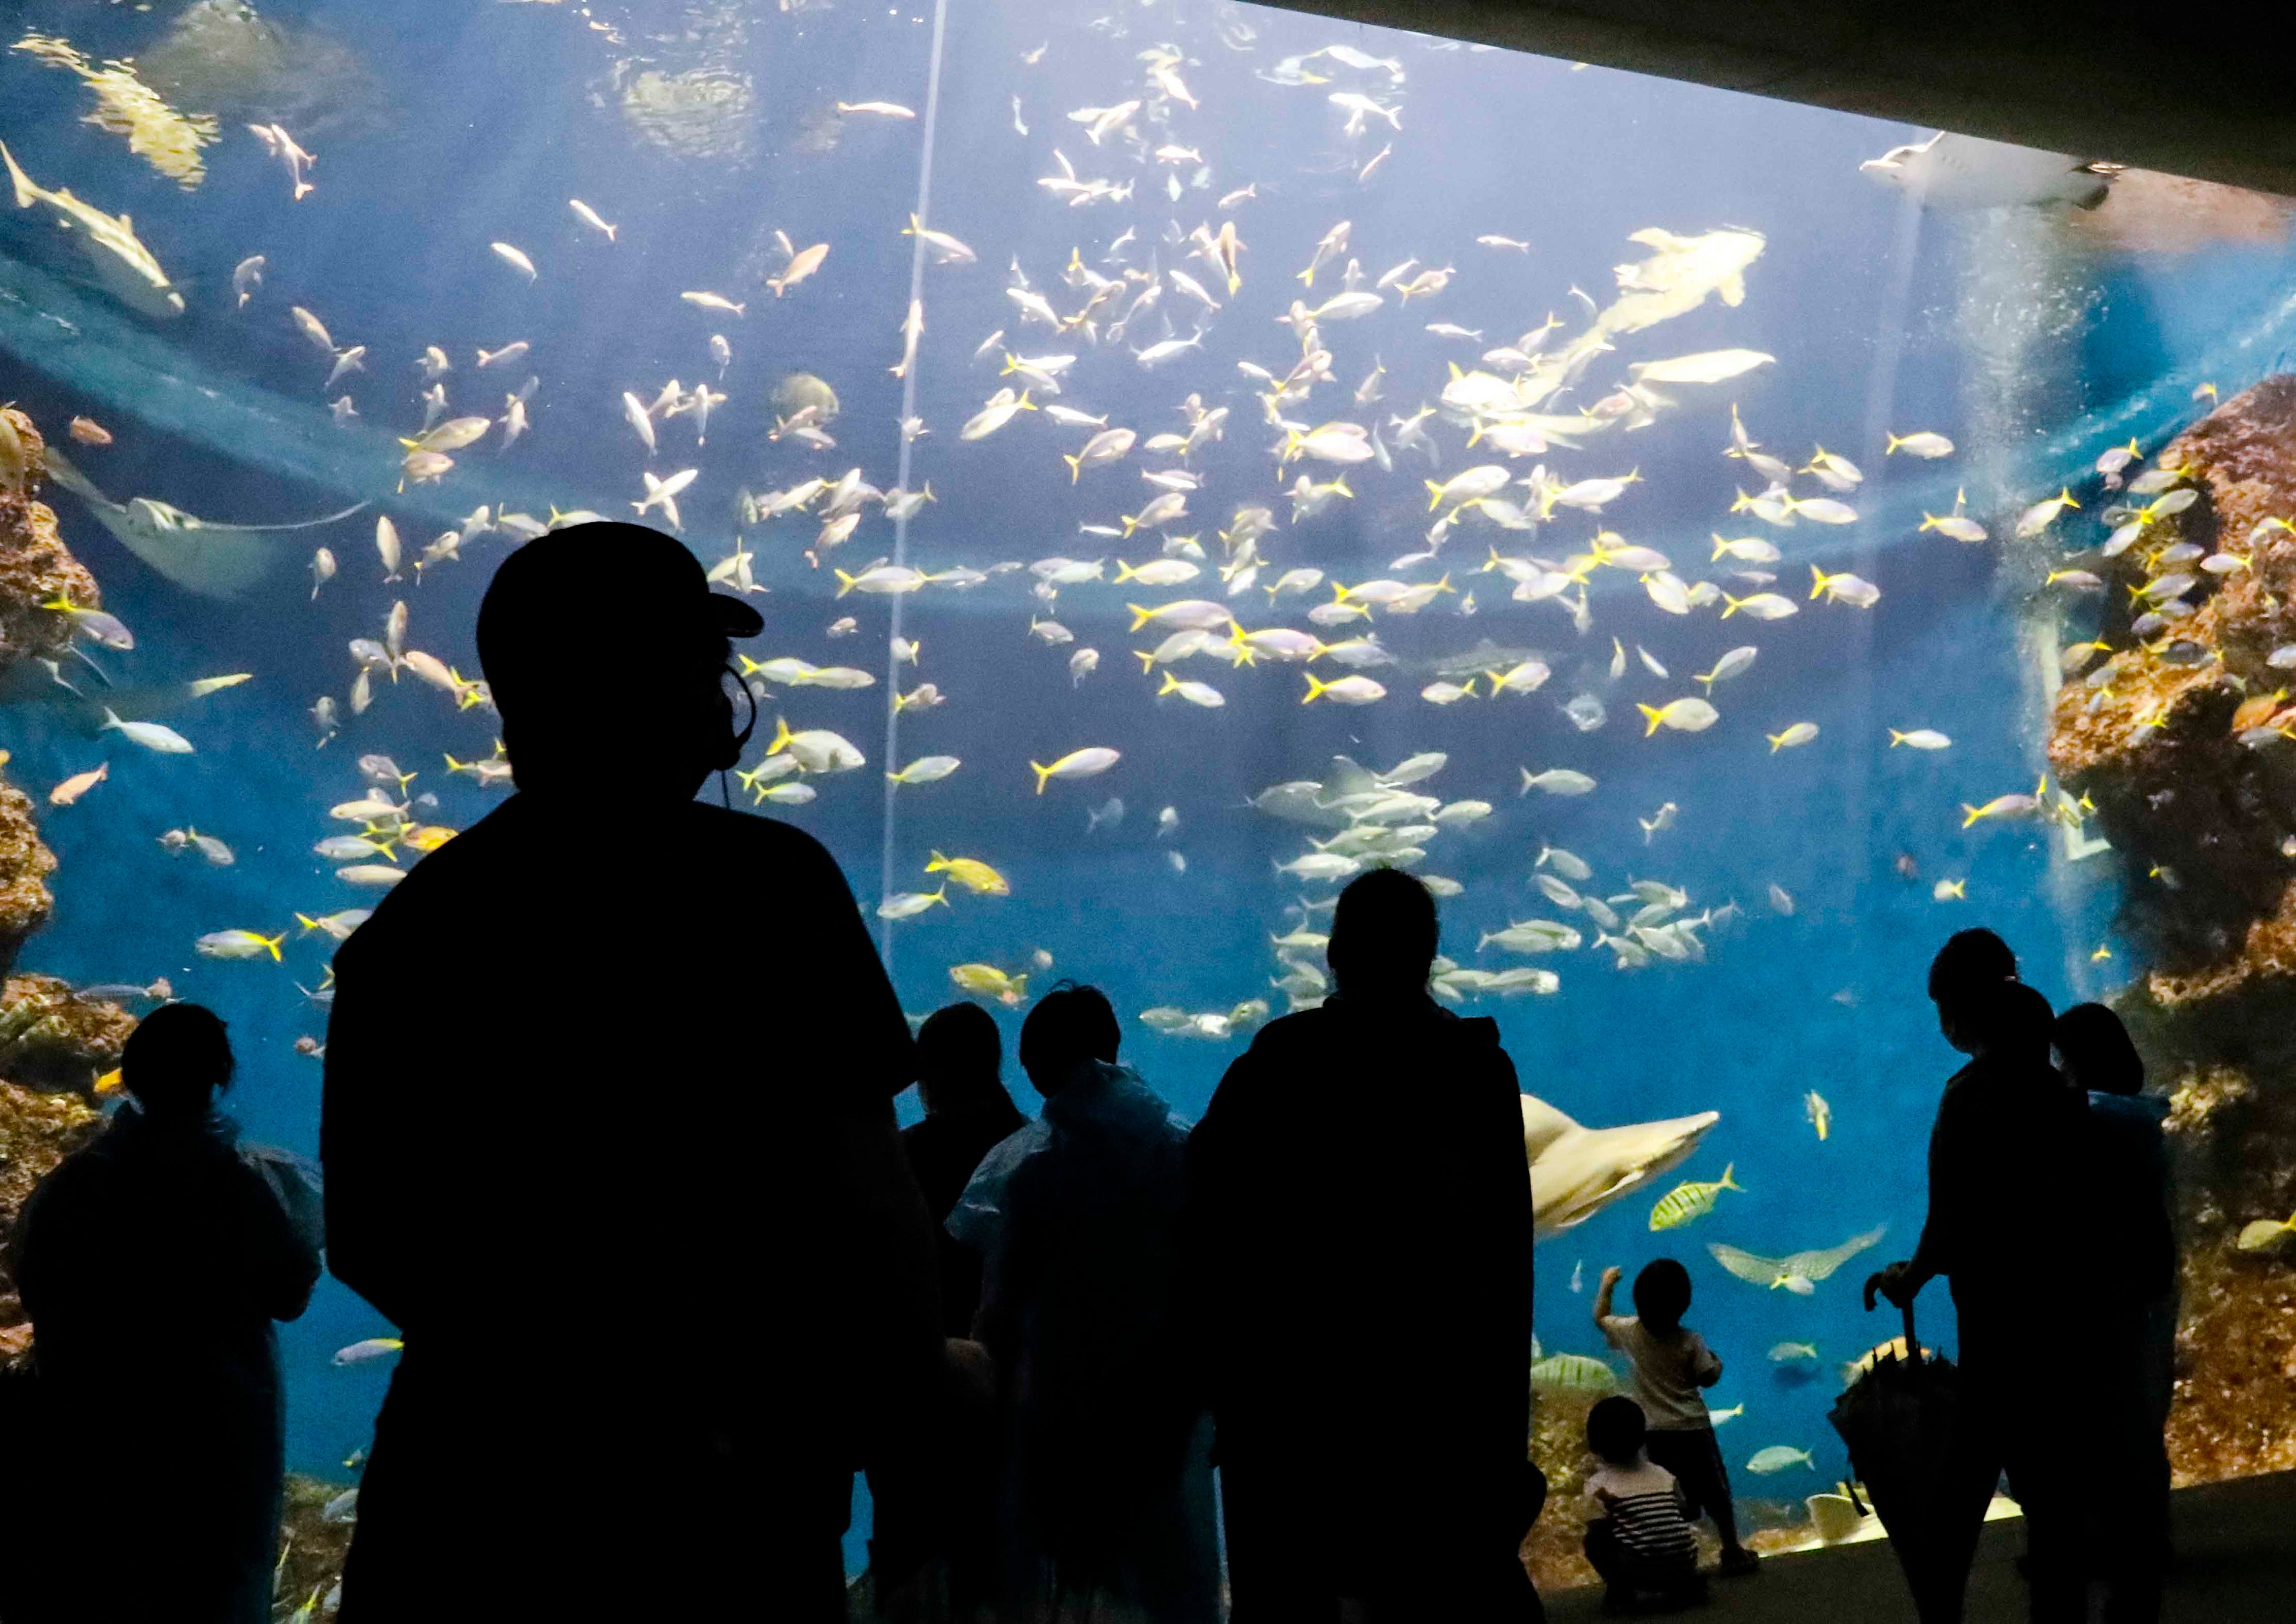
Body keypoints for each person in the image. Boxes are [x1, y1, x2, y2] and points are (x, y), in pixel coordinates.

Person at [322, 524, 941, 1622]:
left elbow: (370, 1239)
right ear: (660, 691)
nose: (725, 697)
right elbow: (870, 1201)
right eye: (707, 667)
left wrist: (546, 1377)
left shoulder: (413, 930)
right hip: (726, 1511)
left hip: (465, 1499)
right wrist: (912, 1404)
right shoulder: (771, 889)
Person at [1185, 867, 1542, 1622]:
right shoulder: (1479, 1070)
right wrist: (1503, 1440)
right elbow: (1506, 1266)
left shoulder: (1281, 1063)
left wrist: (1222, 1384)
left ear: (1333, 953)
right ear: (1431, 955)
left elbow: (1207, 1215)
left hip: (1301, 1416)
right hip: (1445, 1414)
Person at [11, 1003, 321, 1624]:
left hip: (95, 1421)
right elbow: (290, 1294)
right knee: (212, 1586)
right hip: (220, 1429)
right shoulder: (250, 1184)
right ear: (220, 1077)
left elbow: (32, 1276)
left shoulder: (79, 1182)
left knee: (97, 1582)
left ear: (129, 1076)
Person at [949, 981, 1219, 1621]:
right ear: (1116, 1049)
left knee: (1042, 1590)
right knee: (1173, 1586)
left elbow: (996, 1308)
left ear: (1036, 1070)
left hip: (1052, 1419)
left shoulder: (1020, 1167)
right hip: (1164, 1417)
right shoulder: (1185, 1151)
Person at [1872, 946, 2089, 1624]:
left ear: (1968, 1011)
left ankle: (1941, 1615)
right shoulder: (2061, 1089)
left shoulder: (1969, 1094)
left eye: (1945, 1008)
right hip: (2059, 1312)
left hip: (1995, 1318)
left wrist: (1912, 1277)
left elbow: (1951, 1215)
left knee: (1960, 1483)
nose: (1943, 1023)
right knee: (2050, 1481)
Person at [870, 1003, 1025, 1611]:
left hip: (913, 1399)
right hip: (1013, 1398)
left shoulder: (899, 1161)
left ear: (926, 1074)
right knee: (998, 1568)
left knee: (909, 1564)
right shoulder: (1032, 1150)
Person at [2057, 1002, 2175, 1624]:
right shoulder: (2140, 1114)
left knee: (2112, 1422)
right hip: (2147, 1285)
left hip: (2114, 1290)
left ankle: (2119, 1549)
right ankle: (2147, 1542)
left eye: (2061, 1059)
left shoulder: (2099, 1116)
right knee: (2140, 1418)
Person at [1594, 1258, 1756, 1576]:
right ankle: (1732, 1549)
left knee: (1667, 1497)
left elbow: (1601, 1318)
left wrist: (1607, 1284)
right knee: (1715, 1491)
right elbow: (1708, 1377)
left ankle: (1670, 1555)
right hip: (1693, 1429)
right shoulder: (1691, 1341)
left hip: (1654, 1432)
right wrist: (1717, 1363)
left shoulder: (1629, 1331)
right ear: (1684, 1304)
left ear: (1638, 1302)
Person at [904, 1002, 1027, 1337]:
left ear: (928, 1072)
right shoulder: (1028, 1145)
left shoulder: (908, 1154)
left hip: (931, 1336)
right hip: (1017, 1339)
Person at [1579, 1396, 1703, 1612]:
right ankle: (1681, 1585)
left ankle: (1621, 1590)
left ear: (1593, 1443)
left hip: (1640, 1573)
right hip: (1685, 1567)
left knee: (1593, 1540)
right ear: (1643, 1438)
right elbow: (1684, 1511)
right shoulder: (1664, 1474)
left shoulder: (1598, 1485)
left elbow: (1595, 1526)